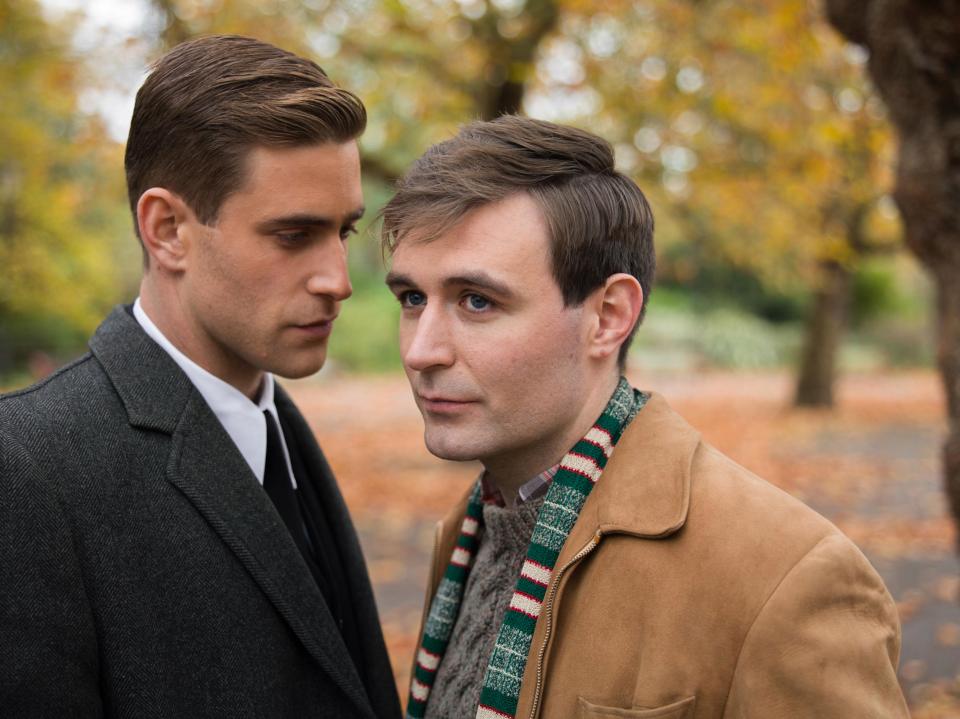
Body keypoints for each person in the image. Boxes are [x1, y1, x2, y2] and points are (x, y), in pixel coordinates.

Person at [381, 115, 909, 719]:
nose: (421, 350)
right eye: (412, 299)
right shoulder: (470, 529)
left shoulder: (787, 579)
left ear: (607, 317)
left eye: (477, 301)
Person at [0, 35, 400, 719]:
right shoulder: (28, 466)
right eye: (293, 233)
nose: (338, 280)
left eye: (345, 232)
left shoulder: (276, 423)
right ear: (167, 230)